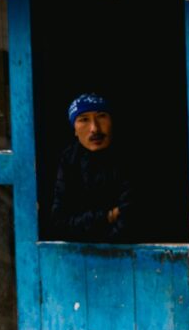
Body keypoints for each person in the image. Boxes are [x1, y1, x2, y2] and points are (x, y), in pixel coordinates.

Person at [49, 92, 138, 242]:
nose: (95, 129)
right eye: (84, 120)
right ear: (75, 130)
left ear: (112, 122)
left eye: (101, 116)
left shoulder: (129, 157)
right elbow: (59, 222)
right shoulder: (69, 159)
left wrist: (90, 231)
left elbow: (132, 219)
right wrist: (107, 216)